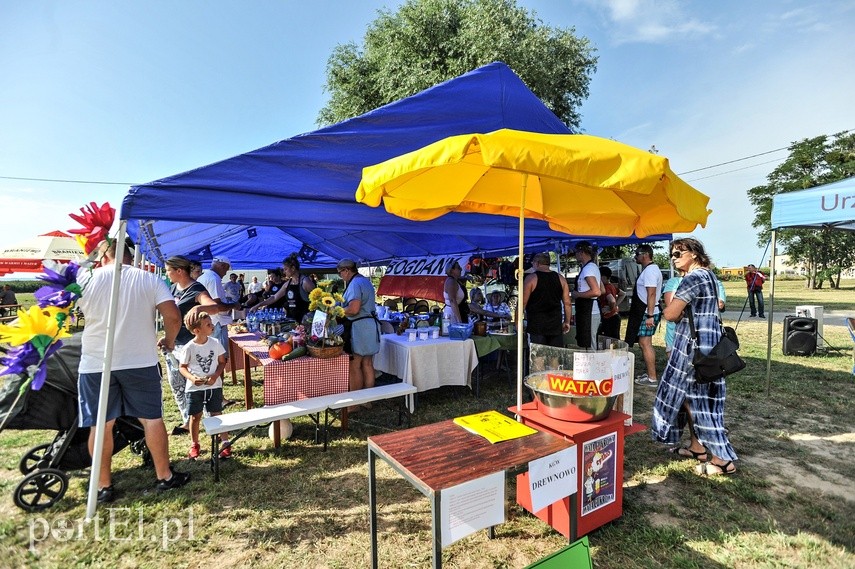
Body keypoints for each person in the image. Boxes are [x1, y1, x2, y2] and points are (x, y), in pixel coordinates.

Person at [76, 240, 188, 502]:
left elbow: (61, 311)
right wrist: (169, 341)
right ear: (129, 256)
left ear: (103, 256)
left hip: (95, 363)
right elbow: (173, 316)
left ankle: (103, 486)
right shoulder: (148, 279)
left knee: (101, 425)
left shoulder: (84, 279)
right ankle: (164, 476)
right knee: (151, 419)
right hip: (140, 360)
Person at [653, 237, 737, 476]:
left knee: (700, 403)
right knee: (691, 399)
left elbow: (670, 314)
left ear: (694, 254)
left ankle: (722, 460)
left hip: (694, 349)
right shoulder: (708, 275)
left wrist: (664, 308)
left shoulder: (693, 277)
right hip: (706, 346)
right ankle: (697, 447)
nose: (673, 257)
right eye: (673, 253)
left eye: (679, 253)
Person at [163, 255, 219, 435]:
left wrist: (199, 308)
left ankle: (212, 421)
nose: (166, 274)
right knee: (177, 385)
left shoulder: (196, 289)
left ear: (179, 271)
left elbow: (213, 306)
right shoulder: (172, 289)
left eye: (168, 270)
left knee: (199, 385)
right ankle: (187, 421)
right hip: (173, 345)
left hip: (192, 346)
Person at [179, 311, 231, 460]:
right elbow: (182, 367)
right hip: (195, 388)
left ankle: (225, 442)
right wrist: (192, 378)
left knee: (217, 414)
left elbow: (222, 362)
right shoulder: (189, 347)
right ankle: (194, 444)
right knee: (195, 417)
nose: (212, 326)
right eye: (208, 324)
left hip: (214, 386)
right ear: (197, 330)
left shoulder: (215, 343)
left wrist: (215, 376)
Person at [337, 259, 381, 402]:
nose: (340, 276)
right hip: (370, 325)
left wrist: (337, 310)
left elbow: (354, 309)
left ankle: (355, 403)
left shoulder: (355, 284)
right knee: (367, 363)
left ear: (346, 270)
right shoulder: (365, 281)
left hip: (359, 328)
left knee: (354, 365)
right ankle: (368, 400)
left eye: (340, 273)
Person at [626, 244, 663, 387]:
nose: (635, 257)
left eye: (637, 254)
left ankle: (652, 378)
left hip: (647, 313)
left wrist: (650, 315)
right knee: (645, 343)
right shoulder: (649, 270)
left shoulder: (651, 271)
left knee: (645, 343)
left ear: (645, 254)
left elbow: (651, 293)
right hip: (646, 312)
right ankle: (650, 374)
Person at [196, 256, 237, 383]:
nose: (226, 273)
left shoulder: (203, 276)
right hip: (216, 323)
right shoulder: (214, 279)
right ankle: (218, 394)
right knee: (219, 360)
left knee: (210, 359)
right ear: (222, 266)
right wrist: (234, 305)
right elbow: (217, 305)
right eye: (226, 270)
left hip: (208, 323)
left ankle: (213, 390)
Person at [522, 252, 572, 348]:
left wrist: (517, 322)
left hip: (537, 324)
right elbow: (567, 303)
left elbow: (522, 303)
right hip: (555, 324)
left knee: (538, 357)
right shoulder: (561, 278)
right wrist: (567, 321)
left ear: (537, 263)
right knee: (555, 356)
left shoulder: (531, 278)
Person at [249, 255, 316, 322]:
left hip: (305, 321)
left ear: (293, 268)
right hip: (292, 321)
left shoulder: (305, 282)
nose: (284, 272)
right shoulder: (287, 284)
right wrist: (258, 305)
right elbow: (274, 297)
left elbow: (318, 301)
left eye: (285, 269)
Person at [570, 241, 601, 348]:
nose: (575, 255)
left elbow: (597, 291)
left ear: (581, 252)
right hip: (588, 310)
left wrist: (577, 294)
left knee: (589, 343)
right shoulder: (592, 267)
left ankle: (592, 364)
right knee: (586, 341)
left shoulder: (588, 269)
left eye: (576, 253)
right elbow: (602, 289)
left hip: (590, 311)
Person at [597, 266, 624, 341]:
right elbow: (623, 294)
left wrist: (611, 307)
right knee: (615, 340)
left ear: (603, 277)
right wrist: (615, 306)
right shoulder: (612, 286)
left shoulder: (606, 288)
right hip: (615, 317)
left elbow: (611, 300)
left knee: (609, 341)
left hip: (609, 318)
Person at [442, 260, 469, 324]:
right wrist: (459, 321)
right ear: (452, 270)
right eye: (458, 268)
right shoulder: (451, 282)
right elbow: (452, 301)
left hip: (456, 312)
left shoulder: (455, 280)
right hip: (452, 314)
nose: (461, 269)